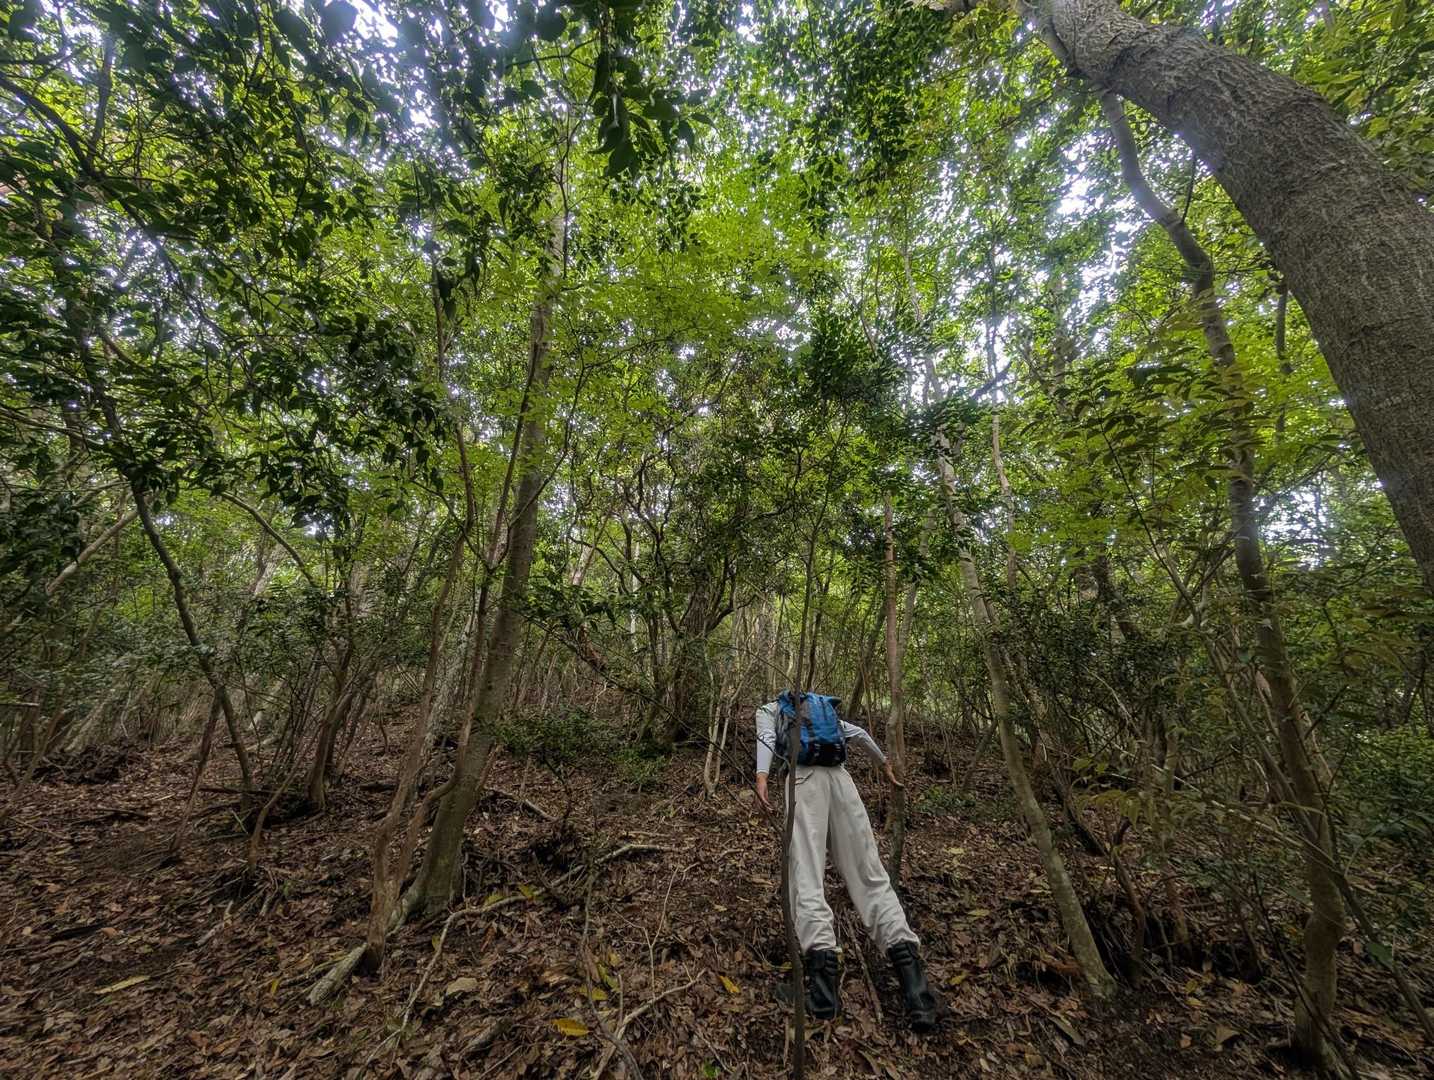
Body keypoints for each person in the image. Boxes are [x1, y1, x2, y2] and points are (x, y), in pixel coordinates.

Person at [755, 693, 938, 1032]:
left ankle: (823, 998)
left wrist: (762, 776)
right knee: (871, 877)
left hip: (804, 781)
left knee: (807, 877)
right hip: (842, 782)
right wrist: (883, 763)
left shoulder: (771, 710)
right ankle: (919, 995)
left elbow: (766, 736)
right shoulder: (823, 714)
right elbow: (860, 735)